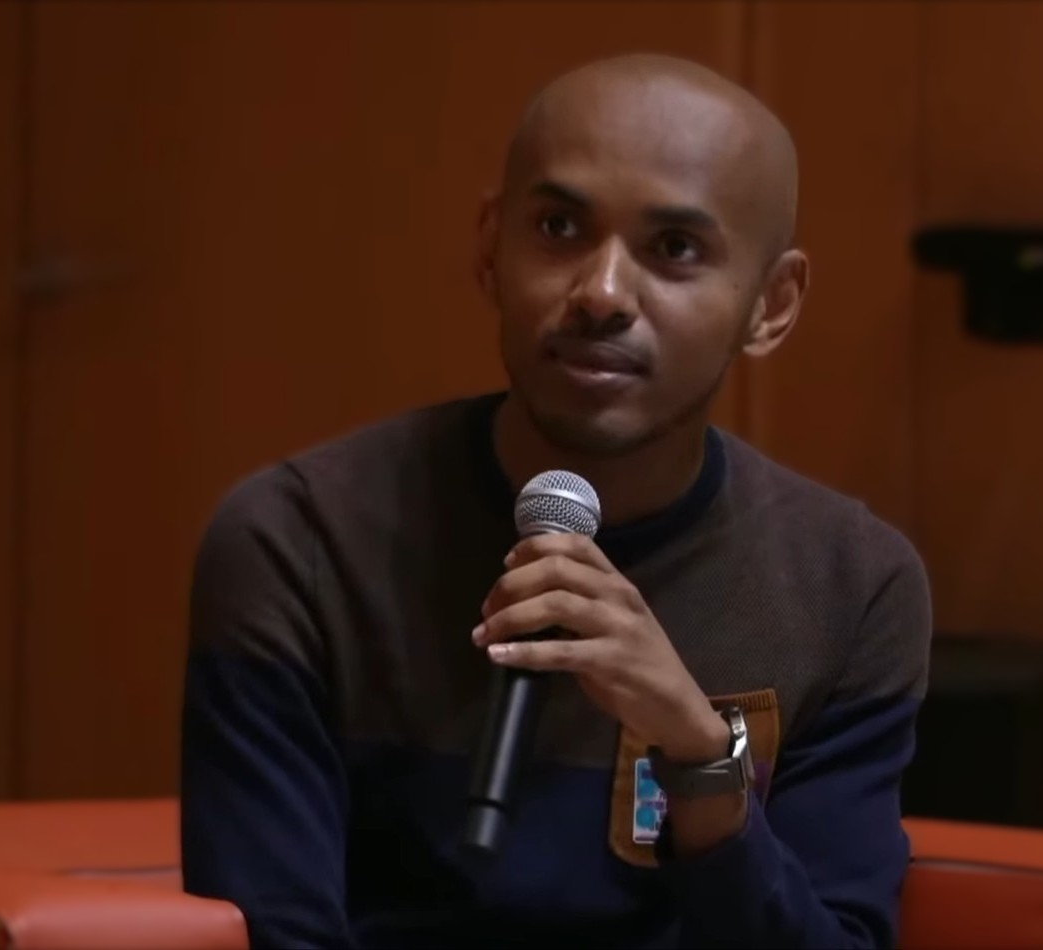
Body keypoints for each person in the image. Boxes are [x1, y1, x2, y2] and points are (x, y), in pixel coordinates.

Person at [179, 52, 932, 948]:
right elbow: (274, 932)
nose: (602, 294)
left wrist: (699, 760)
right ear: (491, 247)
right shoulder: (299, 541)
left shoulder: (850, 585)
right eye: (559, 227)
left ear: (770, 305)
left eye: (674, 249)